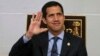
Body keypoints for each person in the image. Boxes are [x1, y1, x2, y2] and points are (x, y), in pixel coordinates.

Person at [9, 1, 87, 56]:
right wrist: (29, 35)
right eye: (51, 15)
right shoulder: (35, 40)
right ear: (44, 20)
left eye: (59, 14)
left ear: (63, 17)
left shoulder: (77, 43)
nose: (56, 19)